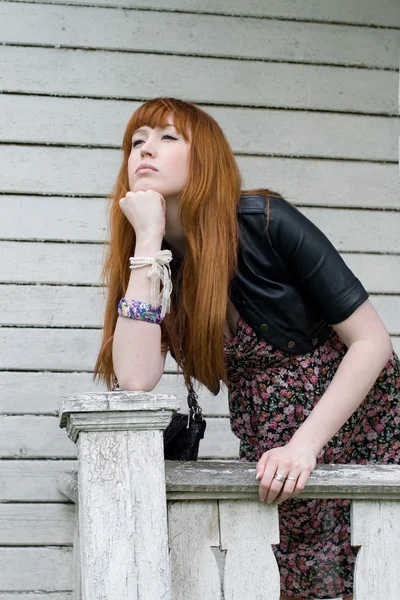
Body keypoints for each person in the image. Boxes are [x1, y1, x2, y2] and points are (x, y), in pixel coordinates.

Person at [94, 97, 400, 600]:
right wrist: (147, 242)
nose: (146, 149)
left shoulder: (266, 221)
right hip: (275, 453)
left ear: (205, 159)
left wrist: (306, 444)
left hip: (361, 433)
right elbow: (135, 376)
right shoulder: (156, 260)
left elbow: (372, 342)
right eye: (137, 141)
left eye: (168, 137)